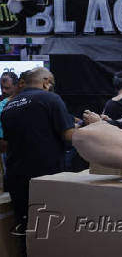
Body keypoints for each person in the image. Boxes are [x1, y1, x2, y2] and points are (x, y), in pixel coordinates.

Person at [1, 67, 75, 254]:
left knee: (25, 226)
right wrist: (92, 127)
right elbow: (68, 135)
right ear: (45, 82)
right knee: (50, 227)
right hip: (47, 176)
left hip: (17, 177)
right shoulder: (50, 99)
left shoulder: (9, 105)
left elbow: (7, 142)